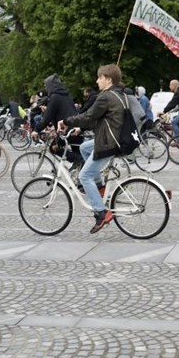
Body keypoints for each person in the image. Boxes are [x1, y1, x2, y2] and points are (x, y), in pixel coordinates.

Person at [59, 64, 125, 234]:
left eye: (99, 78)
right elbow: (102, 118)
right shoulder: (120, 94)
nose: (97, 81)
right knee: (84, 147)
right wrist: (81, 129)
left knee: (84, 176)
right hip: (113, 139)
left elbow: (89, 116)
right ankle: (99, 187)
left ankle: (101, 212)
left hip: (107, 143)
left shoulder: (105, 97)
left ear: (108, 79)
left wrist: (67, 121)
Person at [32, 74, 78, 144]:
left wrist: (36, 130)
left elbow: (46, 119)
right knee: (77, 151)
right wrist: (48, 109)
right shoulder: (66, 94)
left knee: (54, 148)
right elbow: (63, 109)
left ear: (50, 86)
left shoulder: (54, 97)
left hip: (66, 129)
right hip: (75, 126)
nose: (46, 88)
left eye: (46, 86)